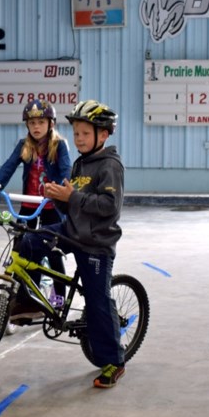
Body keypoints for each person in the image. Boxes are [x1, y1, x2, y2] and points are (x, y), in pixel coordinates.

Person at [15, 99, 126, 388]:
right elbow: (73, 208)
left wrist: (71, 197)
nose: (79, 139)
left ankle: (114, 361)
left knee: (97, 301)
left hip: (96, 243)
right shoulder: (80, 163)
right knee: (29, 241)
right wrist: (58, 198)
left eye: (85, 134)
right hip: (72, 230)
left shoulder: (109, 165)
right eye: (76, 133)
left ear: (103, 135)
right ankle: (32, 301)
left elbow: (108, 207)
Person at [0, 99, 72, 311]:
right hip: (29, 207)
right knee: (25, 250)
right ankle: (29, 296)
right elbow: (9, 165)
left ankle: (59, 297)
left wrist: (57, 189)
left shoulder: (59, 145)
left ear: (51, 124)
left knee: (54, 252)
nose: (36, 127)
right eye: (32, 123)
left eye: (41, 122)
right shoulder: (24, 145)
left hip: (51, 208)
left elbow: (66, 170)